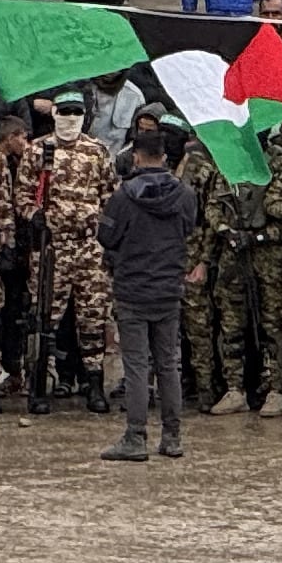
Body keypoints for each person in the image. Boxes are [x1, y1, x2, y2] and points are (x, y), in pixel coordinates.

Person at [94, 122, 200, 460]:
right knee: (168, 363)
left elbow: (106, 237)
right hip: (169, 287)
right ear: (165, 156)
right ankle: (172, 437)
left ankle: (135, 437)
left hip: (133, 287)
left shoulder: (124, 196)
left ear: (136, 157)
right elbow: (189, 229)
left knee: (137, 365)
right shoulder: (184, 194)